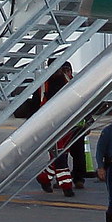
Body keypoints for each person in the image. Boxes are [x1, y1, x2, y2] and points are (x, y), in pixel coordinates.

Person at [35, 62, 76, 197]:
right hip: (51, 123)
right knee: (60, 155)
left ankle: (44, 177)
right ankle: (66, 185)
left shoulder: (66, 79)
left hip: (65, 122)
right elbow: (39, 103)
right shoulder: (45, 83)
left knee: (60, 153)